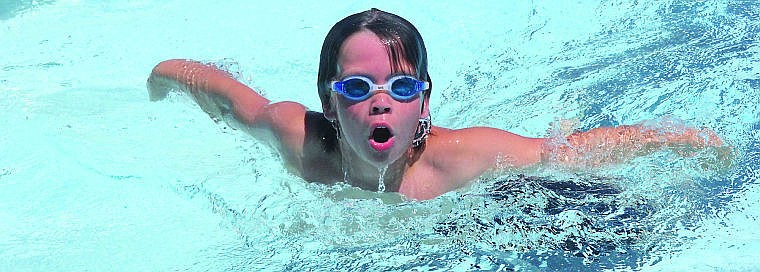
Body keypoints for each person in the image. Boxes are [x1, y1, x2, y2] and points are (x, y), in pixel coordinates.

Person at [147, 8, 725, 200]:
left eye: (401, 89)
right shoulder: (298, 139)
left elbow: (568, 153)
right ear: (328, 102)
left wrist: (678, 138)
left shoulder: (462, 158)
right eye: (356, 88)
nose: (380, 104)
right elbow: (221, 92)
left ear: (423, 104)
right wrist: (160, 79)